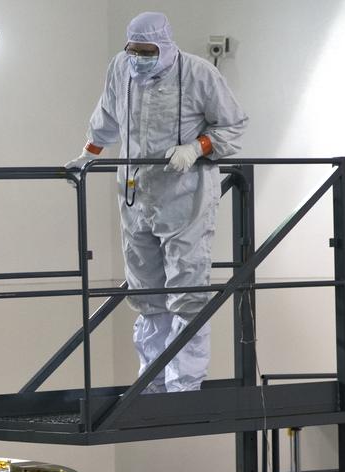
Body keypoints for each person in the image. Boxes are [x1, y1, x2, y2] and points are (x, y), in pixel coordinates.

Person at [66, 11, 248, 392]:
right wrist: (89, 154)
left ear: (165, 47)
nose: (139, 58)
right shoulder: (121, 68)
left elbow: (232, 125)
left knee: (186, 292)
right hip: (135, 194)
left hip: (185, 195)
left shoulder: (199, 74)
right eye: (132, 50)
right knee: (146, 291)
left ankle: (183, 384)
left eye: (146, 51)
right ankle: (152, 381)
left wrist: (197, 148)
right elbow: (107, 115)